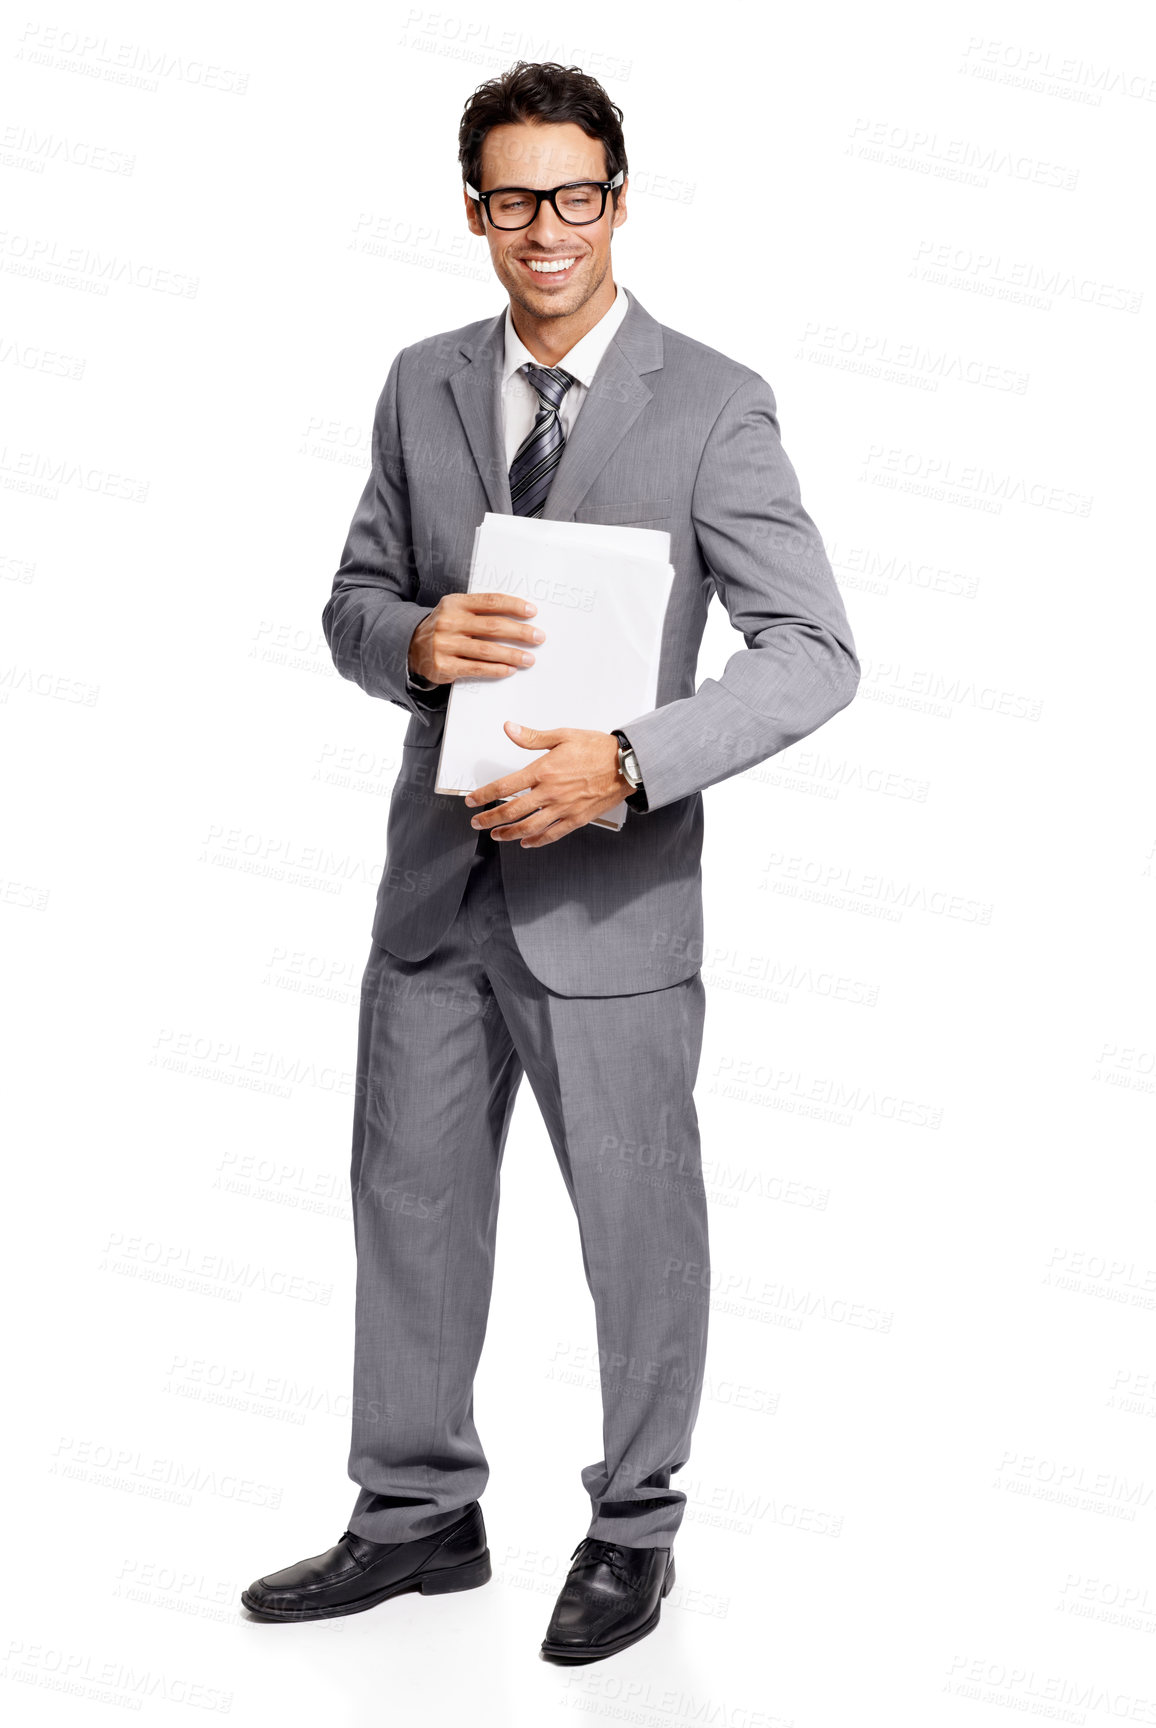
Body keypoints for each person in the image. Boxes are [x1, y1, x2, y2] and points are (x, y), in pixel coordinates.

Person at [242, 59, 859, 1662]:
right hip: (435, 891)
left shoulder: (713, 402)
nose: (546, 230)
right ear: (476, 212)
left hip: (611, 900)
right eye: (514, 200)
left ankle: (634, 1528)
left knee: (639, 1221)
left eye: (574, 196)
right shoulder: (418, 382)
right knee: (408, 1203)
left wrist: (635, 763)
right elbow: (352, 599)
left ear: (618, 201)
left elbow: (812, 653)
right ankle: (416, 1515)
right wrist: (416, 640)